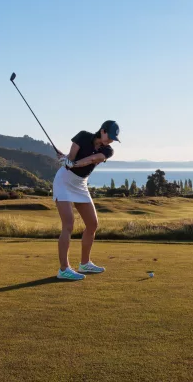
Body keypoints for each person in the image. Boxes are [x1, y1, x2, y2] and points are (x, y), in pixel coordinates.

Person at [53, 120, 120, 280]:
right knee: (68, 224)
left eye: (113, 138)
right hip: (64, 180)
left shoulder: (108, 150)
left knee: (92, 224)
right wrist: (66, 160)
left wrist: (72, 163)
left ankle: (85, 263)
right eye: (109, 136)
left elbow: (92, 159)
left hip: (80, 183)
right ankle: (63, 269)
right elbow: (71, 157)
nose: (111, 140)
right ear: (102, 131)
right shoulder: (82, 136)